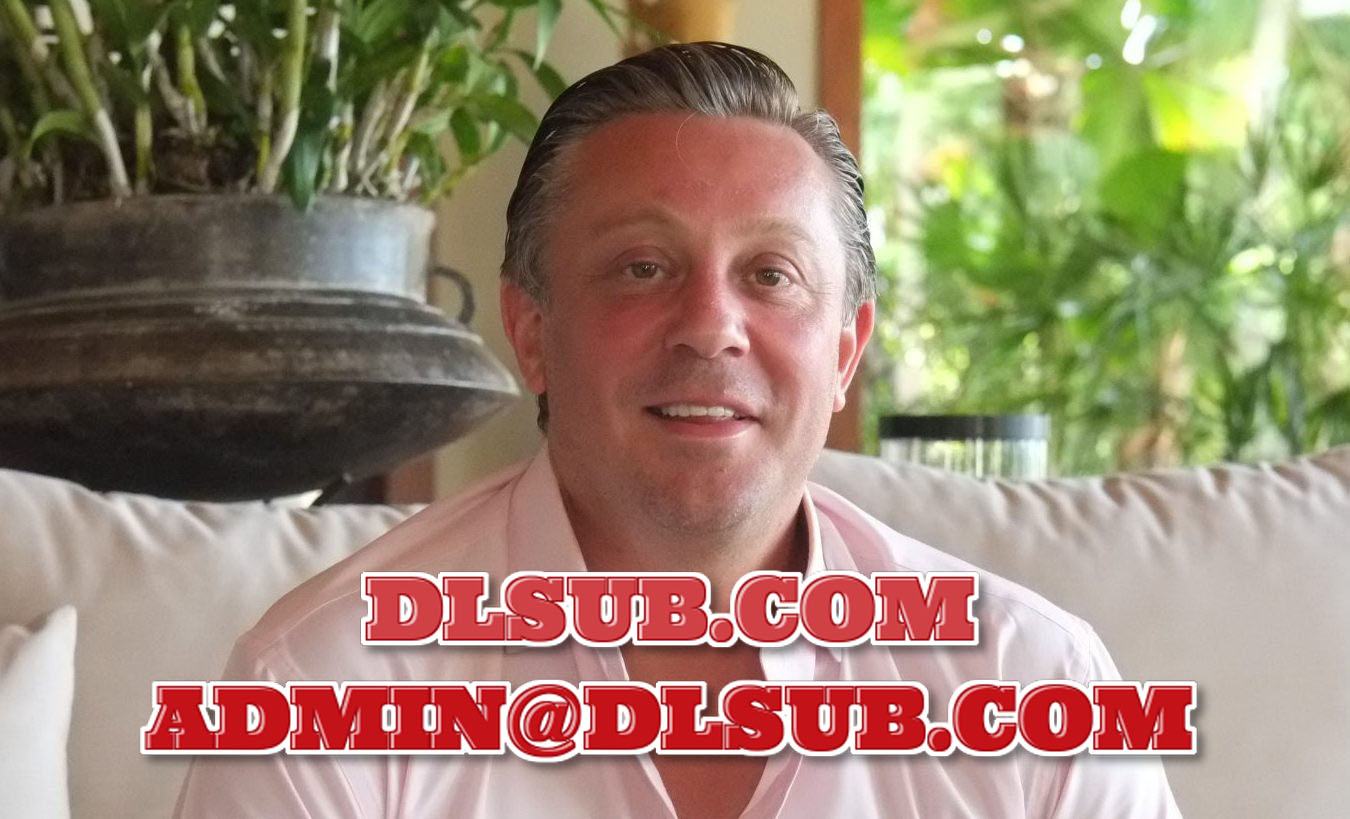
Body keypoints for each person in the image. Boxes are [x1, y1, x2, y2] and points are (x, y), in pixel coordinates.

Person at [176, 42, 1181, 818]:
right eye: (643, 267)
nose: (711, 326)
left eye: (771, 274)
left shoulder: (1033, 686)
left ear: (844, 351)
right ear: (532, 331)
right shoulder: (319, 689)